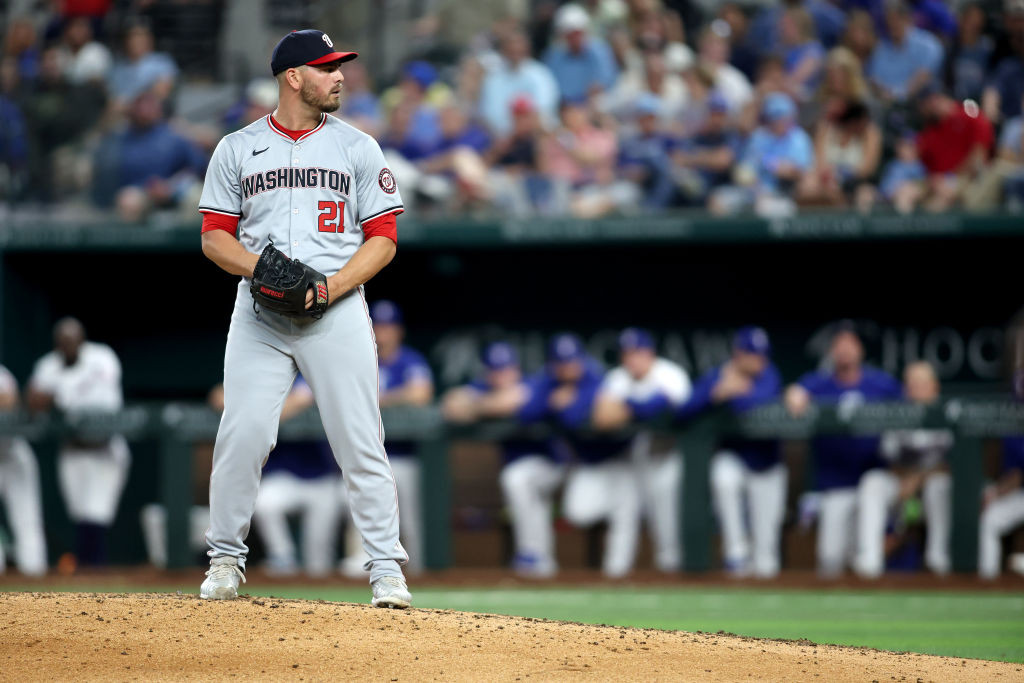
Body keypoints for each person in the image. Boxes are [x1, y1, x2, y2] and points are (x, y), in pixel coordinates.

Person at [195, 29, 411, 608]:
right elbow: (214, 236)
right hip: (260, 314)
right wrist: (259, 272)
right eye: (327, 67)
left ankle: (386, 569)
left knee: (361, 439)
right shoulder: (238, 147)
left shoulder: (358, 146)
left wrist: (332, 286)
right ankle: (224, 562)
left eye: (340, 66)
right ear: (294, 77)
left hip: (335, 310)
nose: (340, 75)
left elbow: (384, 239)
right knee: (242, 433)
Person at [784, 322, 902, 577]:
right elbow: (795, 392)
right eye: (839, 344)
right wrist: (795, 394)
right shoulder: (820, 383)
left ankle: (871, 569)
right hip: (835, 484)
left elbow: (912, 418)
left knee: (873, 486)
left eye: (851, 343)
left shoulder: (882, 384)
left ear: (860, 349)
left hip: (877, 477)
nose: (845, 349)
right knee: (829, 559)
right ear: (831, 351)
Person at [442, 341, 563, 577]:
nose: (503, 375)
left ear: (516, 368)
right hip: (525, 468)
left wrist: (478, 406)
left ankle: (530, 553)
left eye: (507, 369)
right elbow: (451, 405)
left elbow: (516, 401)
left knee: (516, 479)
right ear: (488, 372)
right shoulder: (483, 387)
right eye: (497, 370)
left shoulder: (533, 384)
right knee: (528, 496)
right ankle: (542, 562)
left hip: (551, 463)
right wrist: (488, 403)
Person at [528, 334, 639, 578]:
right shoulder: (547, 382)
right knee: (578, 513)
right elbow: (526, 410)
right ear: (553, 364)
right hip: (589, 463)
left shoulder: (598, 377)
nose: (569, 367)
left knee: (626, 509)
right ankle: (614, 507)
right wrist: (550, 403)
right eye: (562, 362)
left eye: (573, 361)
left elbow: (579, 415)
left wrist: (566, 406)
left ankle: (617, 574)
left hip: (623, 456)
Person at [679, 327, 784, 578]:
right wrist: (715, 393)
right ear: (738, 353)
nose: (759, 359)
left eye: (762, 354)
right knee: (723, 476)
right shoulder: (720, 375)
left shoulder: (770, 374)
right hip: (735, 456)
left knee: (766, 559)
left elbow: (756, 402)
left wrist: (733, 393)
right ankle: (735, 553)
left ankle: (763, 571)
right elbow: (684, 410)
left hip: (768, 463)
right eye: (752, 354)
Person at [339, 300, 433, 576]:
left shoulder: (410, 360)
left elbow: (421, 393)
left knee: (411, 519)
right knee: (355, 507)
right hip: (364, 453)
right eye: (378, 325)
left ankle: (419, 570)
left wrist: (379, 399)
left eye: (389, 326)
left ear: (399, 330)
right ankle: (360, 565)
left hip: (403, 456)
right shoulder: (356, 356)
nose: (383, 332)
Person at [26, 318, 130, 568]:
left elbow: (106, 406)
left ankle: (93, 569)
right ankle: (86, 573)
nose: (68, 346)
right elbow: (32, 399)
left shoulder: (101, 358)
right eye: (63, 342)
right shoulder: (48, 365)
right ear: (57, 344)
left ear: (81, 340)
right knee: (80, 513)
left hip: (104, 448)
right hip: (72, 449)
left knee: (97, 512)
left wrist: (56, 397)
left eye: (72, 340)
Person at [592, 328, 691, 573]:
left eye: (638, 352)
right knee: (624, 511)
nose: (633, 359)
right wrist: (637, 407)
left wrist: (625, 407)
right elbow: (602, 418)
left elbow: (662, 408)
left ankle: (670, 569)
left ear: (650, 353)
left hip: (667, 454)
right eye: (628, 353)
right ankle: (616, 572)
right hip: (632, 456)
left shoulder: (670, 374)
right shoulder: (617, 377)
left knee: (666, 515)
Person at [854, 361, 952, 578]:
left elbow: (953, 465)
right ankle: (870, 561)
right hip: (903, 491)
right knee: (872, 481)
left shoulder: (947, 413)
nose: (915, 389)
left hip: (931, 492)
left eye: (921, 383)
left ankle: (938, 558)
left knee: (940, 487)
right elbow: (890, 459)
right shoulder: (897, 415)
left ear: (934, 386)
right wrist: (906, 481)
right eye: (911, 384)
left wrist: (918, 479)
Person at [250, 375, 343, 577]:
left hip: (323, 477)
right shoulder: (267, 375)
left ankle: (321, 596)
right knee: (264, 503)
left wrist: (262, 409)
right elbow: (219, 397)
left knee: (318, 559)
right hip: (284, 476)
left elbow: (302, 398)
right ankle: (282, 557)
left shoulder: (312, 374)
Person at [0, 364, 47, 577]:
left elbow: (7, 400)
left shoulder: (2, 374)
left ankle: (36, 586)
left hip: (12, 453)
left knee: (27, 520)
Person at [479, 28, 560, 136]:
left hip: (535, 134)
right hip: (500, 137)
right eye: (511, 48)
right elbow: (489, 113)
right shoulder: (493, 78)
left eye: (518, 48)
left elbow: (544, 110)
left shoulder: (540, 74)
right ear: (503, 50)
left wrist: (520, 130)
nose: (515, 51)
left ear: (527, 49)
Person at [866, 0, 943, 103]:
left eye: (897, 19)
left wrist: (897, 95)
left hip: (919, 103)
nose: (893, 24)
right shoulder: (881, 48)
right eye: (889, 20)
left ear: (908, 19)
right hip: (884, 103)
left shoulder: (928, 45)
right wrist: (884, 95)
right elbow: (874, 79)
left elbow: (924, 77)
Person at [543, 4, 619, 103]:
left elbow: (605, 81)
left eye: (578, 33)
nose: (575, 38)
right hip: (565, 107)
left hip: (596, 103)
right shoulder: (554, 56)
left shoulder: (600, 50)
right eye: (570, 34)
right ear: (563, 35)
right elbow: (551, 88)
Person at [979, 437, 1024, 578]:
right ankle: (989, 579)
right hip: (1015, 494)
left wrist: (994, 493)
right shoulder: (1011, 434)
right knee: (990, 519)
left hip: (1017, 492)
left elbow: (1016, 478)